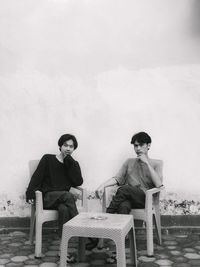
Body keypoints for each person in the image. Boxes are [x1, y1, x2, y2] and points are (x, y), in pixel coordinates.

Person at [95, 132, 163, 263]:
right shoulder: (129, 162)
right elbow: (117, 178)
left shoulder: (156, 163)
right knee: (123, 205)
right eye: (135, 146)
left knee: (124, 189)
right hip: (128, 197)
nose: (137, 149)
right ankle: (118, 251)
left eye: (141, 145)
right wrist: (101, 185)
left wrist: (147, 164)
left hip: (145, 199)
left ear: (148, 145)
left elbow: (159, 184)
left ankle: (106, 218)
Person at [26, 134, 83, 263]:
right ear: (60, 146)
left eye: (71, 146)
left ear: (74, 149)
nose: (68, 148)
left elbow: (78, 181)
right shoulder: (48, 159)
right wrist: (30, 193)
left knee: (64, 209)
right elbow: (36, 178)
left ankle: (62, 250)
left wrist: (70, 163)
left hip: (63, 201)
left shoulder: (73, 163)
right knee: (68, 195)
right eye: (65, 145)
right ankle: (81, 227)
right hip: (47, 198)